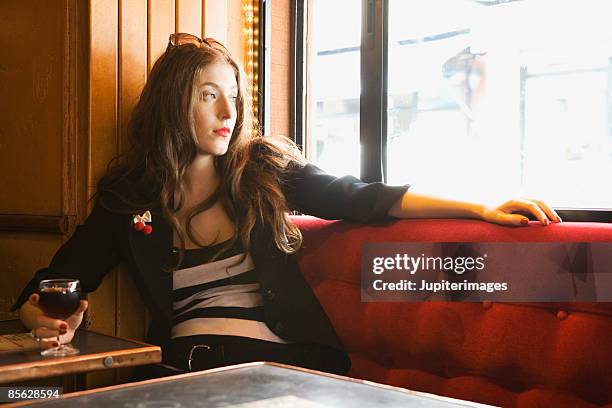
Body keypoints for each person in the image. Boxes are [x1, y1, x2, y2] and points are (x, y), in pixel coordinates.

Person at [11, 33, 561, 380]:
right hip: (190, 369)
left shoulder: (259, 171)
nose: (229, 109)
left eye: (234, 94)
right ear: (171, 104)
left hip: (288, 366)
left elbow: (362, 196)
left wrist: (481, 204)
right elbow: (52, 282)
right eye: (208, 94)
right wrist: (41, 316)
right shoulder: (127, 203)